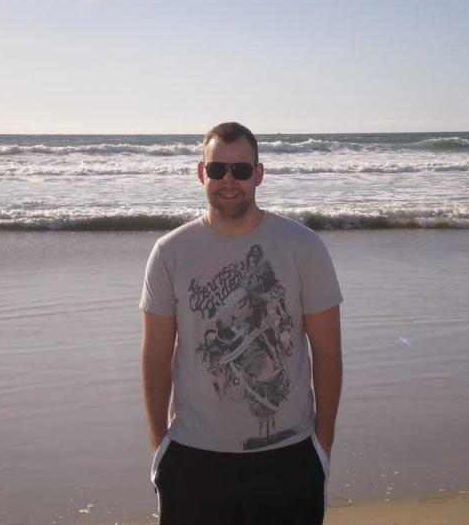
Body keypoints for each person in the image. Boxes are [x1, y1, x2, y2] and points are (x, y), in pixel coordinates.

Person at [139, 122, 343, 525]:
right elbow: (156, 356)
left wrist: (322, 447)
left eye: (241, 170)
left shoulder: (303, 246)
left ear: (259, 174)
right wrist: (159, 448)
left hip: (289, 459)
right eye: (217, 170)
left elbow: (327, 351)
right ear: (201, 173)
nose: (228, 181)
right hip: (193, 460)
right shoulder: (169, 252)